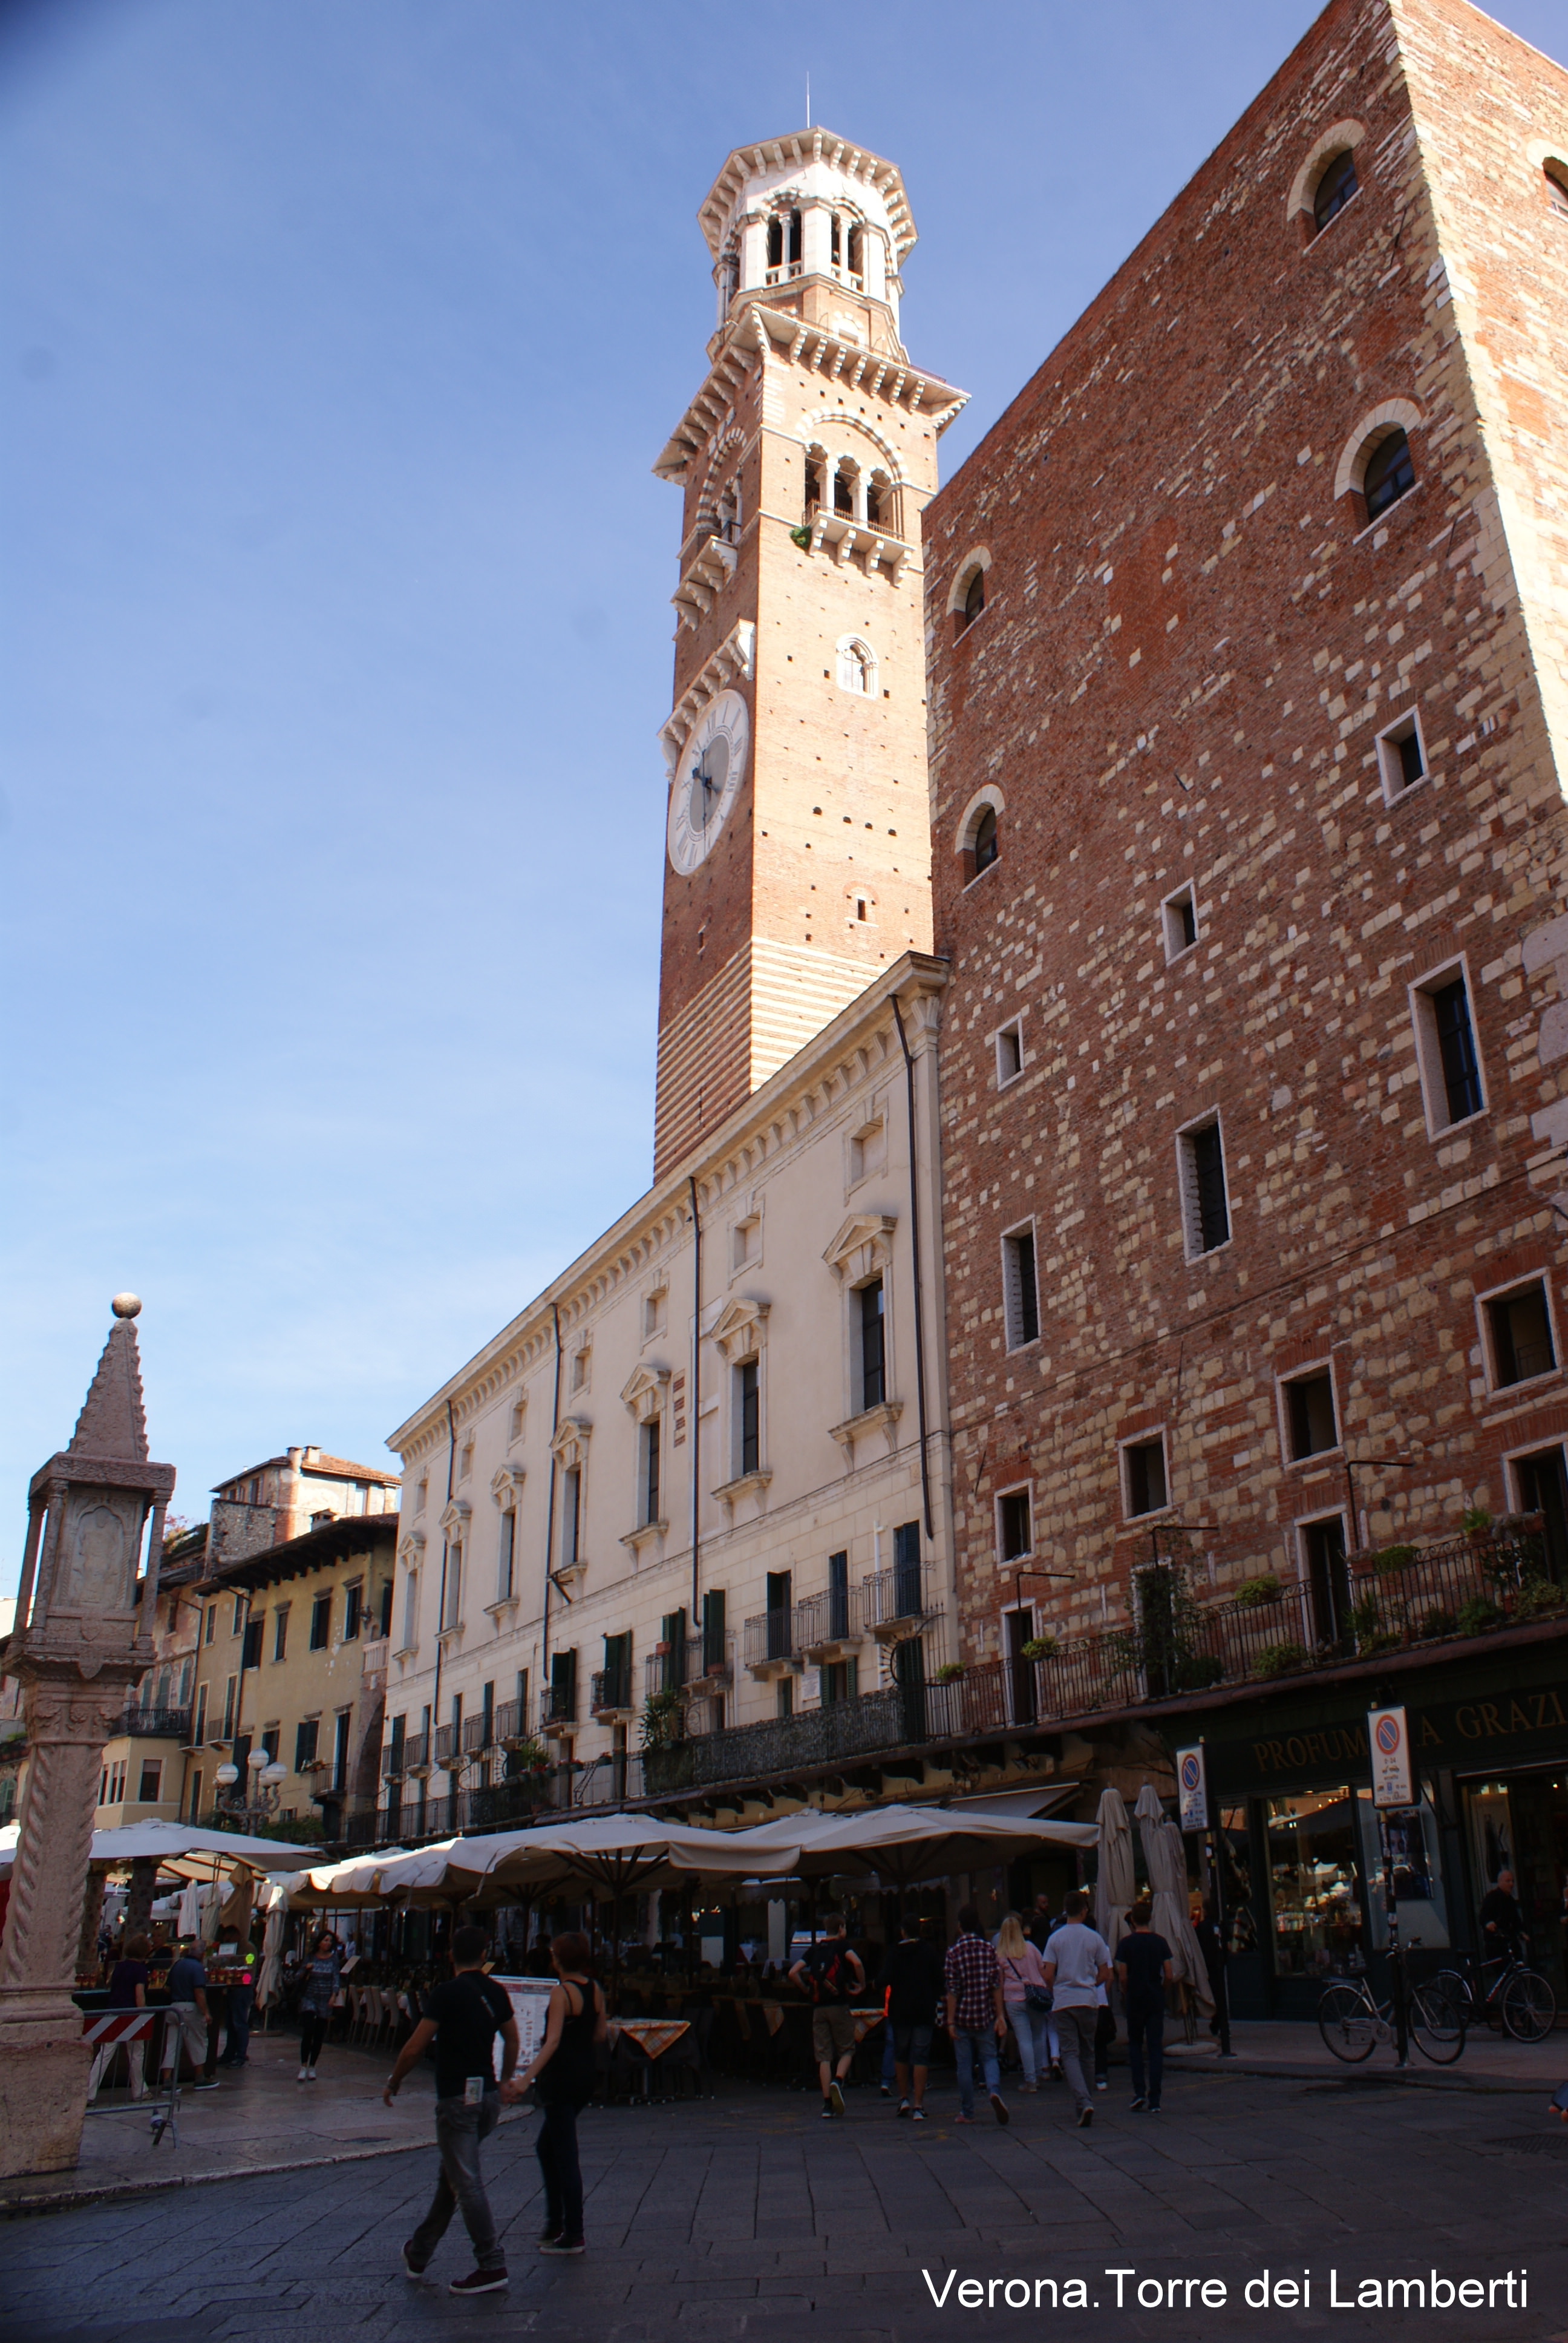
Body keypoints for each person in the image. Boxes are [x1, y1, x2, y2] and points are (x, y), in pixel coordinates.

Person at [385, 1922, 518, 2295]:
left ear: (450, 1955)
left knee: (466, 2182)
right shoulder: (496, 1991)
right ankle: (419, 2252)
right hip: (487, 2097)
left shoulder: (445, 1994)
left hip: (456, 2098)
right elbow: (512, 2039)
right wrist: (506, 2079)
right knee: (454, 2176)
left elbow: (416, 2046)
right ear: (485, 1954)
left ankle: (491, 2263)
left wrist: (395, 2080)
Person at [503, 1929, 607, 2258]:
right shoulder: (595, 1989)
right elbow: (600, 2034)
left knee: (564, 2154)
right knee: (547, 2147)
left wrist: (525, 2079)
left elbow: (553, 2041)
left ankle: (572, 2231)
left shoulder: (562, 1993)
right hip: (585, 2075)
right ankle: (555, 2223)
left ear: (557, 1959)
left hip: (561, 2077)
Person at [1042, 1891, 1112, 2129]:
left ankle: (1083, 2101)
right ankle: (1086, 2100)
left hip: (1064, 2000)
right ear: (1085, 1911)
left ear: (1065, 1911)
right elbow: (1105, 1972)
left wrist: (1056, 1988)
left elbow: (1048, 1974)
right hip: (1088, 2000)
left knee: (1069, 2053)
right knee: (1088, 2052)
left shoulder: (1055, 1939)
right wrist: (1091, 1983)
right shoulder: (1094, 1938)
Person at [788, 1911, 865, 2117]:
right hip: (839, 2005)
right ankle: (838, 2081)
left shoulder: (815, 1949)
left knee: (823, 2056)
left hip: (818, 2008)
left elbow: (793, 1972)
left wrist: (806, 1989)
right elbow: (857, 1963)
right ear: (841, 1929)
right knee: (847, 2049)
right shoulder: (842, 1946)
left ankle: (827, 2105)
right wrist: (861, 1985)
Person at [944, 1904, 1008, 2126]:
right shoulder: (989, 1949)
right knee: (989, 2057)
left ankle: (968, 2111)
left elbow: (952, 1990)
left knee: (964, 2065)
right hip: (985, 2014)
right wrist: (1000, 2015)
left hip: (962, 2015)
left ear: (960, 1926)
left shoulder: (953, 1952)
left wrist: (950, 2020)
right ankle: (994, 2089)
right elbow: (996, 1985)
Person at [877, 1915, 945, 2120]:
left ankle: (904, 2098)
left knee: (901, 2054)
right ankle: (919, 2105)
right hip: (923, 2009)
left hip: (900, 2010)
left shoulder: (894, 1953)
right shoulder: (928, 1951)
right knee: (921, 2055)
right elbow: (939, 1980)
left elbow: (884, 1978)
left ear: (903, 1931)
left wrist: (872, 1985)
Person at [1114, 1899, 1174, 2114]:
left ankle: (1139, 2091)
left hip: (1136, 1996)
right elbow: (1169, 1973)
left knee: (1136, 2045)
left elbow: (1122, 1976)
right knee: (1155, 2047)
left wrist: (1126, 1991)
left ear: (1132, 1920)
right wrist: (1163, 1990)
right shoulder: (1161, 1942)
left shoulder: (1126, 1944)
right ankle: (1155, 2099)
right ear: (1150, 1918)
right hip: (1155, 1995)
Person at [89, 1931, 152, 2101]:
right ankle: (139, 2091)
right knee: (136, 2054)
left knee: (105, 2054)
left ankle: (89, 2092)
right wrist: (143, 2012)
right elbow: (139, 1993)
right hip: (131, 2014)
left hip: (114, 2011)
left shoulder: (119, 1967)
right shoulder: (140, 1970)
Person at [996, 1914, 1053, 2092]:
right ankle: (1038, 2072)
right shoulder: (1030, 1947)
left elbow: (999, 1983)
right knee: (1038, 2036)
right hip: (1035, 1996)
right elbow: (1044, 1970)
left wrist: (1000, 2010)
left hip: (1013, 1998)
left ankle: (1030, 2080)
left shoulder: (1001, 1954)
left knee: (1024, 2040)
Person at [165, 1935, 220, 2091]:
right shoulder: (197, 1968)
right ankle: (199, 2077)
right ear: (202, 1953)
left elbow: (167, 1988)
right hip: (190, 2008)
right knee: (198, 2042)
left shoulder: (177, 1965)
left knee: (171, 2046)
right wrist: (206, 2013)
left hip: (174, 2008)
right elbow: (199, 1993)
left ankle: (167, 2081)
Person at [296, 1928, 344, 2079]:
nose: (328, 1943)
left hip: (325, 1998)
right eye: (325, 1940)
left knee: (319, 2033)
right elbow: (299, 1975)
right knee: (308, 2030)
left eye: (330, 1941)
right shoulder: (311, 1957)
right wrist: (306, 1969)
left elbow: (336, 1978)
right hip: (310, 1997)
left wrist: (334, 1995)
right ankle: (303, 2065)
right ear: (319, 1942)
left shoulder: (333, 1959)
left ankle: (312, 2066)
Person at [216, 1938, 260, 2069]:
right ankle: (230, 2053)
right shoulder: (233, 1946)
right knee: (231, 2023)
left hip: (242, 1988)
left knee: (239, 2023)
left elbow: (249, 1967)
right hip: (232, 1989)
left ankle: (240, 2055)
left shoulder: (248, 1948)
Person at [1479, 1868, 1526, 1962]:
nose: (1511, 1884)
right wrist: (1488, 1924)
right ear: (1500, 1882)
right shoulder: (1492, 1898)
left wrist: (1521, 1932)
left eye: (1512, 1881)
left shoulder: (1510, 1900)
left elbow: (1516, 1920)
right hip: (1496, 1943)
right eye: (1508, 1881)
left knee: (1518, 1962)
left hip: (1509, 1940)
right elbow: (1483, 1915)